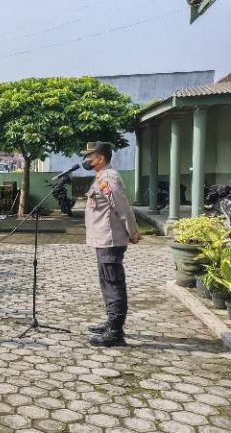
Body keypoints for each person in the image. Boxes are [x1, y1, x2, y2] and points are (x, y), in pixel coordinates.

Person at [82, 141, 140, 347]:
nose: (86, 159)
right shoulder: (100, 177)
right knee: (107, 282)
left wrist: (133, 232)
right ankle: (111, 322)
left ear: (101, 158)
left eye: (90, 156)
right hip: (103, 240)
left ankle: (116, 332)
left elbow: (123, 208)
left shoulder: (108, 178)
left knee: (113, 284)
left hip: (110, 240)